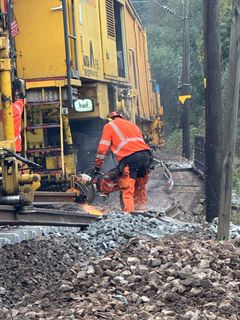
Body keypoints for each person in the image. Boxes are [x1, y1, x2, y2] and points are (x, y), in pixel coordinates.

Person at [94, 111, 151, 213]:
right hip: (146, 156)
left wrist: (97, 166)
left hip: (130, 158)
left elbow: (102, 149)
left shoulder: (109, 126)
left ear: (109, 119)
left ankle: (128, 216)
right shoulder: (132, 124)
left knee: (127, 189)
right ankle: (142, 211)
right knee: (140, 186)